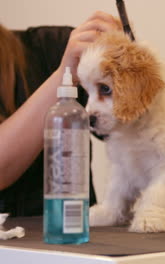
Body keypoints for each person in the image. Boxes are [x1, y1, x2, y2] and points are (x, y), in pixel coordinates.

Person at [0, 11, 121, 216]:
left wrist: (126, 60)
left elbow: (139, 121)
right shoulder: (65, 59)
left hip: (79, 237)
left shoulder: (56, 46)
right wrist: (63, 76)